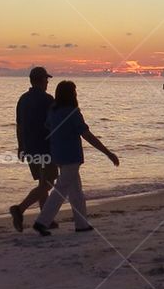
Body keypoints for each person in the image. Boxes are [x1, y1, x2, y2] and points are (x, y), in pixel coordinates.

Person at [32, 80, 119, 236]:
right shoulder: (72, 112)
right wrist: (108, 153)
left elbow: (47, 126)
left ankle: (81, 224)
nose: (76, 94)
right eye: (74, 91)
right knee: (61, 189)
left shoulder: (53, 110)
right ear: (71, 94)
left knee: (76, 191)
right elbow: (86, 135)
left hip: (58, 154)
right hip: (71, 156)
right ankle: (42, 221)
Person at [9, 66, 59, 232]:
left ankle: (46, 218)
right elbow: (54, 124)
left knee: (42, 182)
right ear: (41, 80)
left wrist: (21, 146)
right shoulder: (47, 99)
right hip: (45, 147)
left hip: (30, 147)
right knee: (47, 183)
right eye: (46, 80)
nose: (47, 83)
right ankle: (20, 209)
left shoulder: (22, 99)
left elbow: (19, 126)